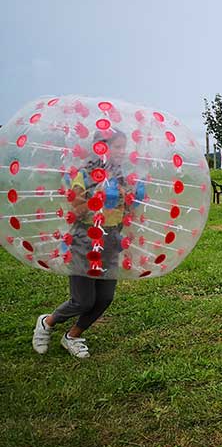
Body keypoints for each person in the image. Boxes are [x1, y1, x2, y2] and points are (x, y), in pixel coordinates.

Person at [32, 130, 131, 359]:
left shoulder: (121, 176)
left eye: (124, 147)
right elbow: (74, 210)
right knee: (83, 300)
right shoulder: (85, 175)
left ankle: (73, 336)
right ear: (101, 147)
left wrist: (130, 198)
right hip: (84, 240)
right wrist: (97, 199)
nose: (122, 151)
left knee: (105, 298)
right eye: (117, 147)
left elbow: (125, 211)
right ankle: (47, 322)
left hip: (111, 241)